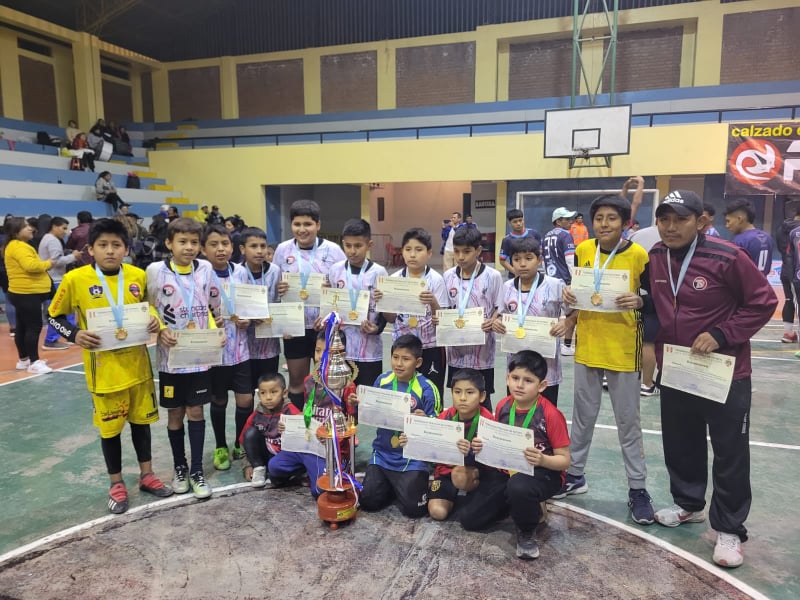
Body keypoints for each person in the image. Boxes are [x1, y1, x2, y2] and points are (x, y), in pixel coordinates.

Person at [647, 190, 778, 568]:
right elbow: (658, 302)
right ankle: (689, 504)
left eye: (680, 219)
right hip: (677, 368)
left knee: (729, 451)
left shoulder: (728, 256)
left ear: (701, 221)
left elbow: (764, 302)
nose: (670, 227)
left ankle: (730, 528)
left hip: (725, 371)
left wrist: (722, 334)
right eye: (664, 219)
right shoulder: (656, 256)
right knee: (681, 442)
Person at [48, 218, 173, 513]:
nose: (110, 251)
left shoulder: (137, 275)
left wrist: (154, 319)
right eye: (102, 245)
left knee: (142, 425)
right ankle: (116, 482)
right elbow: (54, 317)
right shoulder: (75, 279)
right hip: (104, 373)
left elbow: (149, 306)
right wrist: (75, 334)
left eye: (116, 245)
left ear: (126, 249)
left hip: (138, 368)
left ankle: (147, 474)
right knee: (110, 431)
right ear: (90, 249)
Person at [559, 193, 655, 526]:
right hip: (588, 345)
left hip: (624, 348)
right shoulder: (585, 250)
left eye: (612, 218)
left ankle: (638, 488)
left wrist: (640, 301)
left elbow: (654, 296)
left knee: (628, 422)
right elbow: (580, 293)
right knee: (582, 417)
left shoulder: (638, 254)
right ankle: (575, 475)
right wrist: (569, 298)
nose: (604, 224)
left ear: (625, 222)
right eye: (599, 218)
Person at [146, 218, 221, 500]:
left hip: (199, 355)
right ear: (169, 243)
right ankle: (180, 467)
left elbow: (209, 308)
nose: (189, 247)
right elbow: (149, 306)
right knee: (175, 413)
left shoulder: (205, 269)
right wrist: (160, 329)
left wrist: (215, 333)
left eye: (194, 242)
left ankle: (197, 470)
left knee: (196, 412)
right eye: (182, 242)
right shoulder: (155, 271)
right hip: (171, 357)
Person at [471, 351, 571, 559]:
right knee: (471, 519)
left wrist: (543, 459)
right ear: (507, 378)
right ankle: (522, 504)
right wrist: (482, 445)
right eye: (515, 378)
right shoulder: (503, 406)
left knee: (519, 486)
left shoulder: (550, 415)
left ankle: (526, 531)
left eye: (528, 381)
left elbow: (564, 460)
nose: (519, 385)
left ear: (542, 386)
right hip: (509, 469)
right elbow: (498, 442)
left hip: (543, 473)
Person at [356, 334, 440, 517]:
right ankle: (393, 486)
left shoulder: (427, 389)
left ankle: (404, 486)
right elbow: (371, 413)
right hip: (383, 454)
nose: (399, 364)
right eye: (395, 357)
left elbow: (437, 428)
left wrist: (425, 420)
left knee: (415, 510)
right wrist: (360, 404)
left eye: (406, 359)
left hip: (412, 458)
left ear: (418, 362)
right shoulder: (382, 381)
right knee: (368, 502)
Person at [274, 200, 346, 410]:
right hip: (294, 328)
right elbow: (275, 287)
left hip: (323, 327)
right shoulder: (282, 250)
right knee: (297, 381)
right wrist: (279, 289)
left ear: (318, 225)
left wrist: (330, 289)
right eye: (297, 224)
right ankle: (298, 424)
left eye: (308, 224)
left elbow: (342, 287)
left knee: (326, 379)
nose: (302, 229)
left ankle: (326, 422)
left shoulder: (333, 251)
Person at [268, 330, 356, 497]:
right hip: (306, 442)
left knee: (320, 490)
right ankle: (308, 469)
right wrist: (290, 424)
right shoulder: (309, 380)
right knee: (274, 468)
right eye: (317, 350)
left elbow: (351, 424)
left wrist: (333, 436)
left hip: (327, 448)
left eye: (327, 352)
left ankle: (330, 468)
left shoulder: (346, 385)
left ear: (341, 355)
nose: (320, 356)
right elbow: (308, 412)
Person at [404, 368, 498, 524]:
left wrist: (471, 453)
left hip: (476, 471)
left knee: (460, 476)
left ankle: (472, 492)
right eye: (457, 392)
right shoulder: (446, 416)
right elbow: (432, 449)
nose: (463, 398)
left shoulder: (488, 421)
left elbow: (493, 461)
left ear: (482, 396)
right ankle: (454, 495)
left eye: (470, 392)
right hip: (446, 470)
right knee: (437, 512)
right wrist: (415, 436)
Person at [493, 236, 569, 405]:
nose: (522, 264)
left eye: (528, 258)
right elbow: (500, 315)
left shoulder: (555, 285)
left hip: (547, 365)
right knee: (517, 410)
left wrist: (565, 322)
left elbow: (571, 312)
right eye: (516, 259)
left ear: (539, 260)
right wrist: (497, 322)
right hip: (516, 364)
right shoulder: (507, 287)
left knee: (545, 412)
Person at [203, 224, 253, 472]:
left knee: (246, 399)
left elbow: (249, 304)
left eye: (225, 244)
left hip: (241, 350)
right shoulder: (200, 274)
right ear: (204, 249)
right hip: (215, 352)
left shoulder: (241, 272)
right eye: (214, 244)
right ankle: (221, 445)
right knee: (219, 399)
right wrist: (209, 322)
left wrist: (247, 319)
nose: (220, 249)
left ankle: (239, 442)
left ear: (232, 248)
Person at [379, 227, 448, 399]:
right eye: (408, 249)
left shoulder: (436, 280)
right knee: (402, 392)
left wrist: (432, 301)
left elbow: (442, 320)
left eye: (418, 250)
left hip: (430, 347)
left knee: (431, 393)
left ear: (429, 253)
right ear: (402, 251)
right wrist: (383, 302)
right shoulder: (394, 279)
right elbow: (390, 318)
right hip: (402, 348)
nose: (412, 255)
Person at [442, 227, 503, 410]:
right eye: (457, 251)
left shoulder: (493, 276)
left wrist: (493, 320)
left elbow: (499, 308)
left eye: (467, 251)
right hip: (456, 353)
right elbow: (445, 309)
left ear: (478, 250)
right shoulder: (448, 276)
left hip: (482, 353)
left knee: (483, 398)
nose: (461, 257)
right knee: (459, 398)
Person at [328, 218, 388, 390]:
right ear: (342, 244)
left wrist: (377, 328)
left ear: (369, 245)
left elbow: (385, 310)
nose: (352, 251)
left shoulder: (379, 272)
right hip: (341, 348)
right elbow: (330, 305)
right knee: (341, 393)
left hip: (369, 349)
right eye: (348, 245)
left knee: (366, 395)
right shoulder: (335, 270)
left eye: (358, 246)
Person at [3, 217, 62, 374]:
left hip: (22, 293)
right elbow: (31, 266)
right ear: (16, 231)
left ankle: (24, 360)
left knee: (22, 327)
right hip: (27, 294)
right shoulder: (19, 247)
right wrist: (49, 263)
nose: (31, 228)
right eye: (26, 226)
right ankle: (34, 362)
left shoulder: (15, 245)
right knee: (33, 327)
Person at [240, 227, 282, 398]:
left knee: (269, 392)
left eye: (263, 246)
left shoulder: (275, 271)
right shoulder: (236, 272)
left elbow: (280, 303)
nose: (259, 251)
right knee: (246, 394)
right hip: (244, 347)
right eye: (253, 246)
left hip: (269, 346)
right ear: (242, 249)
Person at [240, 372, 301, 488]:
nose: (268, 397)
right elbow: (243, 442)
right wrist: (247, 465)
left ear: (284, 393)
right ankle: (259, 468)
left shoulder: (292, 412)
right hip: (266, 454)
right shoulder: (256, 415)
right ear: (259, 395)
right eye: (263, 393)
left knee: (277, 480)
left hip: (284, 456)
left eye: (274, 392)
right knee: (250, 433)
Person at [628, 223, 664, 397]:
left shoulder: (636, 235)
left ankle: (611, 376)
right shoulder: (674, 239)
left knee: (632, 337)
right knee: (648, 342)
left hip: (631, 293)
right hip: (656, 296)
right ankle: (647, 384)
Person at [38, 216, 79, 350]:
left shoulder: (48, 238)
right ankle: (51, 339)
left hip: (54, 278)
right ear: (54, 226)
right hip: (55, 280)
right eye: (63, 228)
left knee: (67, 310)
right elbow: (56, 261)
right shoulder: (52, 241)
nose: (65, 232)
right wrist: (73, 257)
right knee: (57, 311)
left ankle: (69, 335)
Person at [541, 206, 577, 355]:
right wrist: (575, 280)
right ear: (558, 221)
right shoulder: (566, 235)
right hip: (564, 281)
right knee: (572, 314)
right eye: (567, 219)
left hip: (550, 280)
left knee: (553, 314)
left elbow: (543, 261)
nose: (570, 221)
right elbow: (570, 260)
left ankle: (548, 344)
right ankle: (567, 346)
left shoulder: (546, 236)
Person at [724, 198, 775, 276]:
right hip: (763, 281)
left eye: (728, 221)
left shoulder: (739, 241)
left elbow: (734, 271)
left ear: (740, 219)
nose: (727, 226)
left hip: (745, 282)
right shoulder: (767, 237)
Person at [777, 209, 800, 343]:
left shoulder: (781, 228)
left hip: (786, 269)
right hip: (796, 271)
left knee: (788, 300)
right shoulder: (796, 231)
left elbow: (783, 250)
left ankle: (788, 333)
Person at [498, 209, 541, 279]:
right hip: (515, 277)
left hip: (534, 275)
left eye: (520, 220)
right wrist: (515, 272)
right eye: (515, 222)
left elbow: (540, 253)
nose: (518, 223)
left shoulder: (534, 234)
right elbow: (502, 260)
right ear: (510, 223)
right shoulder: (507, 240)